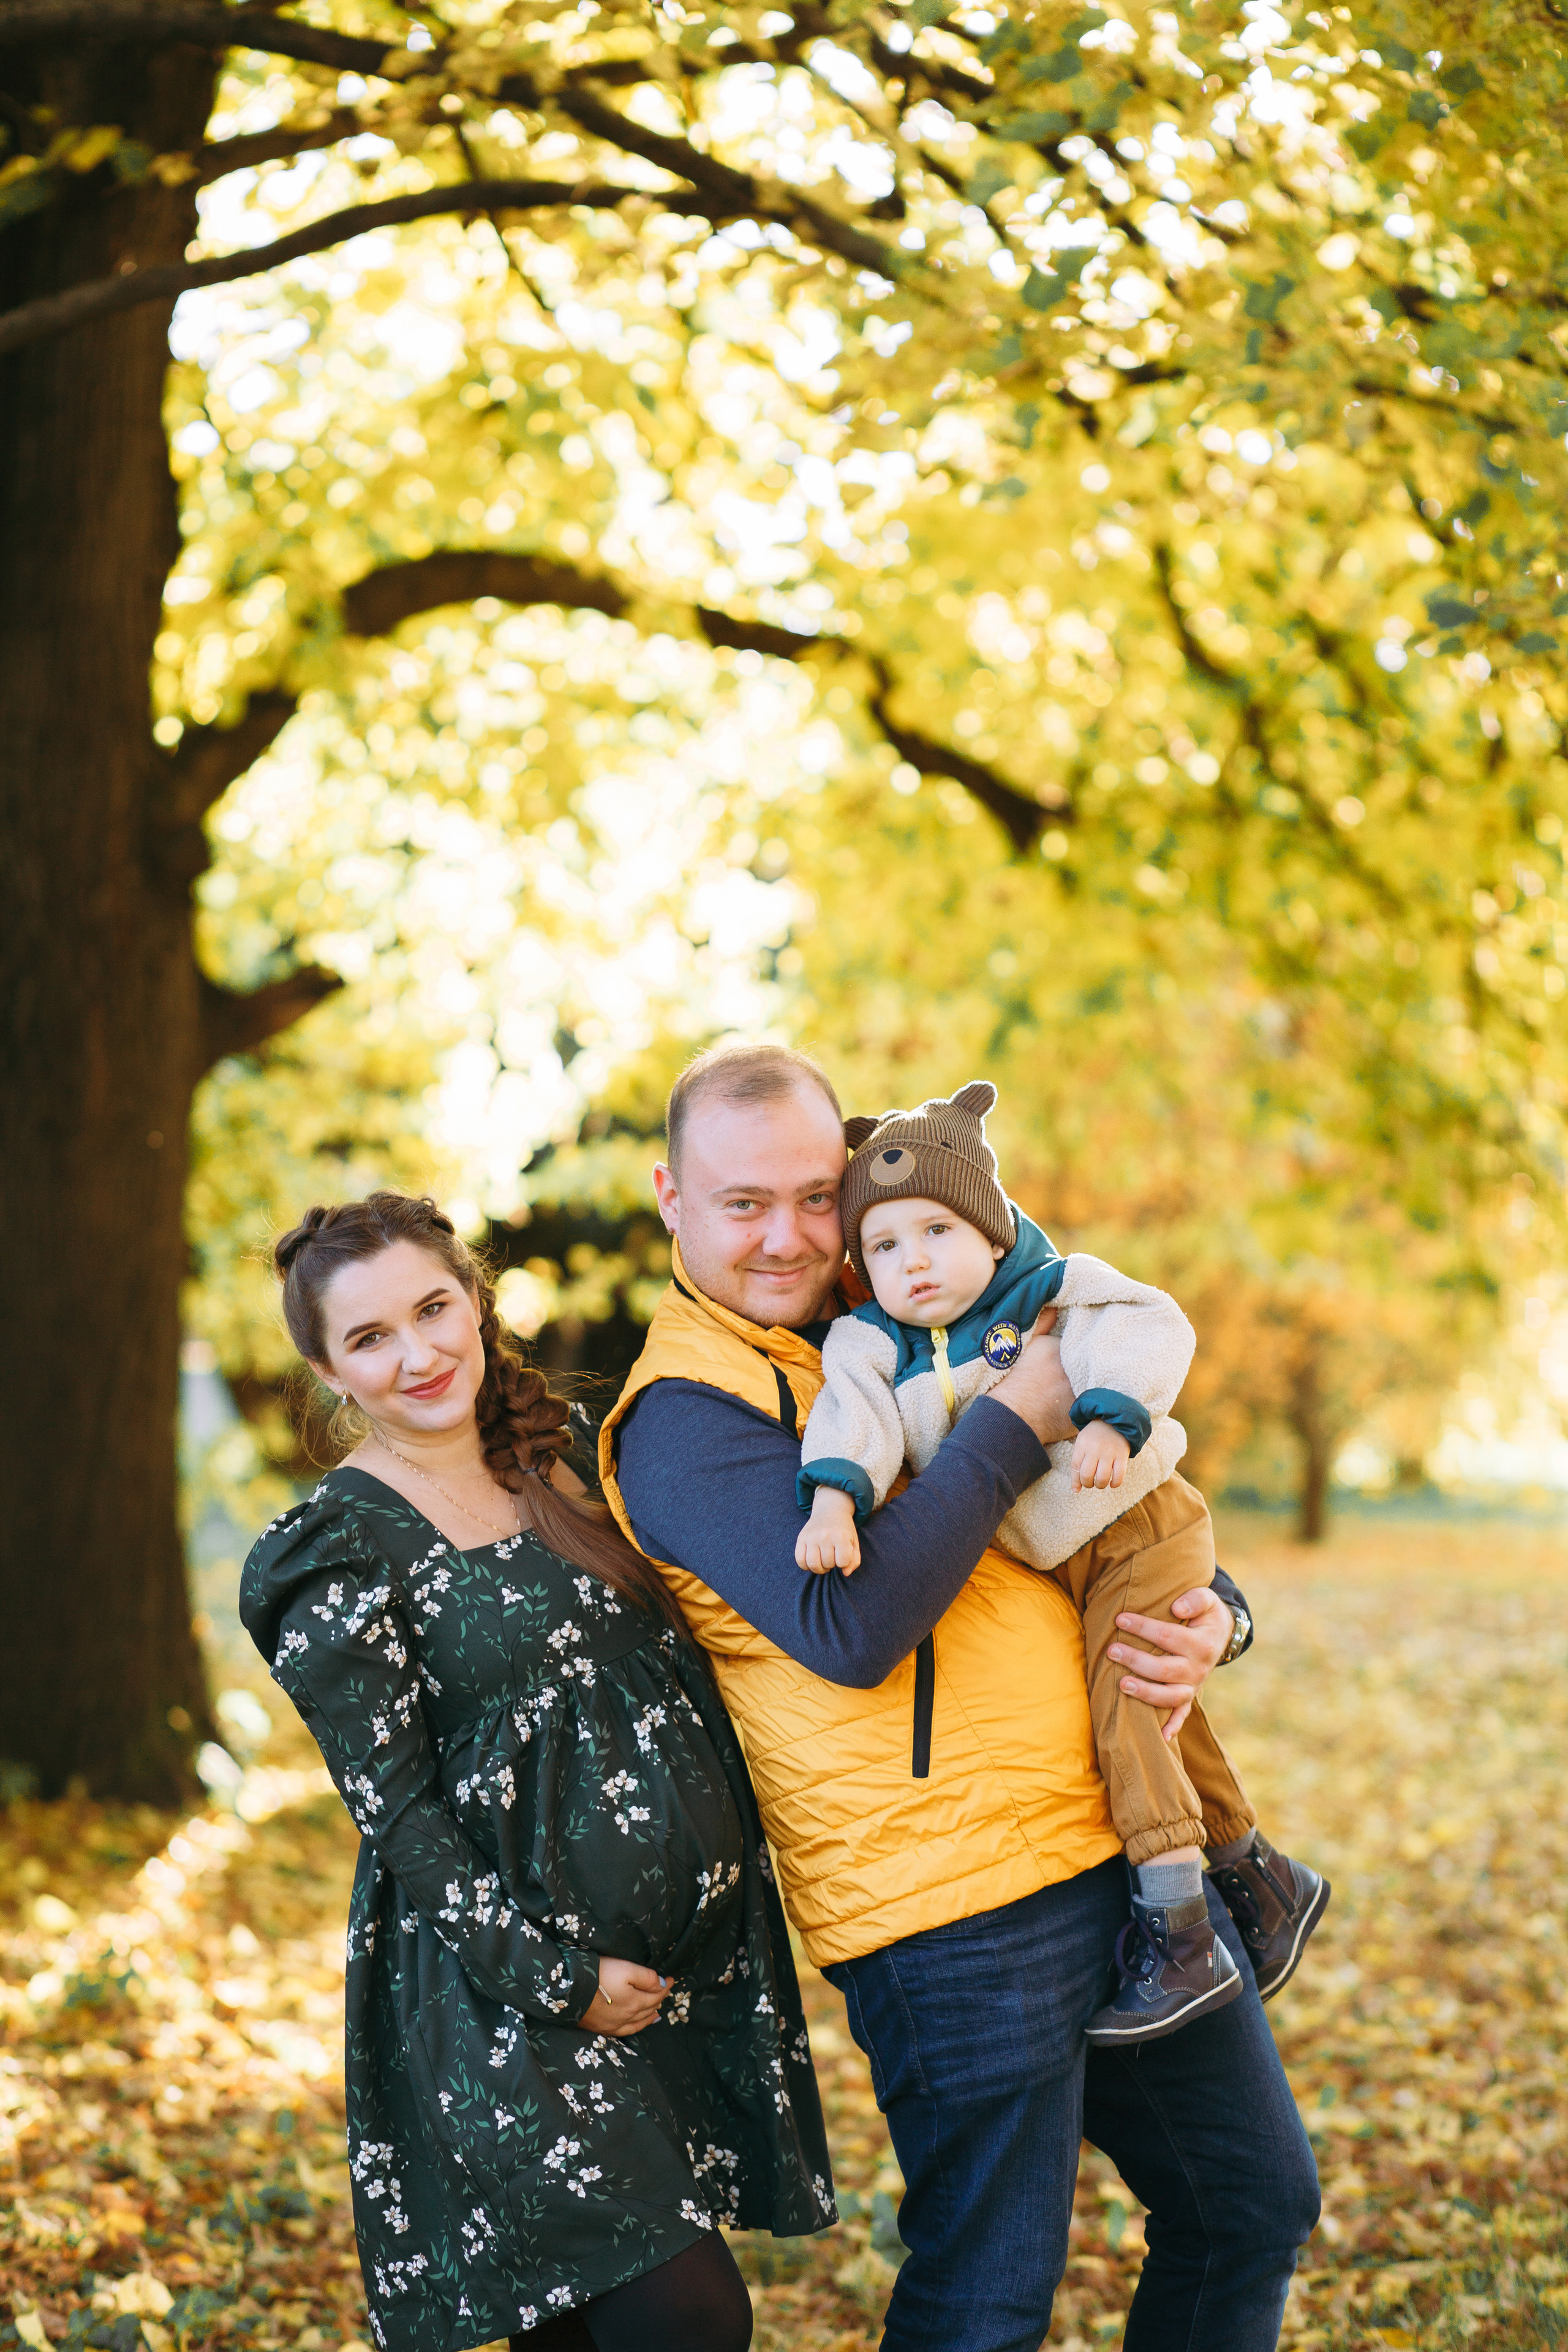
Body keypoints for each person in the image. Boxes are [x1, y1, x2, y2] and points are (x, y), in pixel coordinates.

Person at [597, 1042, 1322, 2352]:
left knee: (1249, 2206)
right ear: (669, 1197)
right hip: (945, 1910)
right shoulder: (682, 1418)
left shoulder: (898, 1311)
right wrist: (1021, 1408)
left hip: (1103, 1841)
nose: (788, 1235)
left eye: (816, 1197)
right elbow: (851, 1624)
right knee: (986, 2298)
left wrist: (1215, 1617)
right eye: (741, 1203)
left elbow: (1097, 1499)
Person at [238, 1191, 833, 2352]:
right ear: (325, 1366)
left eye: (432, 1308)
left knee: (572, 2330)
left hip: (678, 1970)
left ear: (474, 1297)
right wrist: (560, 1979)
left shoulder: (569, 1458)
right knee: (689, 2315)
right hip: (506, 1995)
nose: (418, 1354)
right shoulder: (337, 1551)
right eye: (369, 1338)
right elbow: (397, 1820)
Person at [794, 1078, 1329, 2045]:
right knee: (1152, 1703)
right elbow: (854, 1419)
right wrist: (835, 1496)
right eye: (882, 1247)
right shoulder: (873, 1344)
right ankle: (1262, 1875)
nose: (911, 1263)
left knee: (1130, 1701)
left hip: (1131, 1513)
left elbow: (1148, 1322)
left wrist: (1113, 1412)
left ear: (991, 1233)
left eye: (936, 1235)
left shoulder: (1046, 1288)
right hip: (1059, 1554)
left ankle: (1181, 1930)